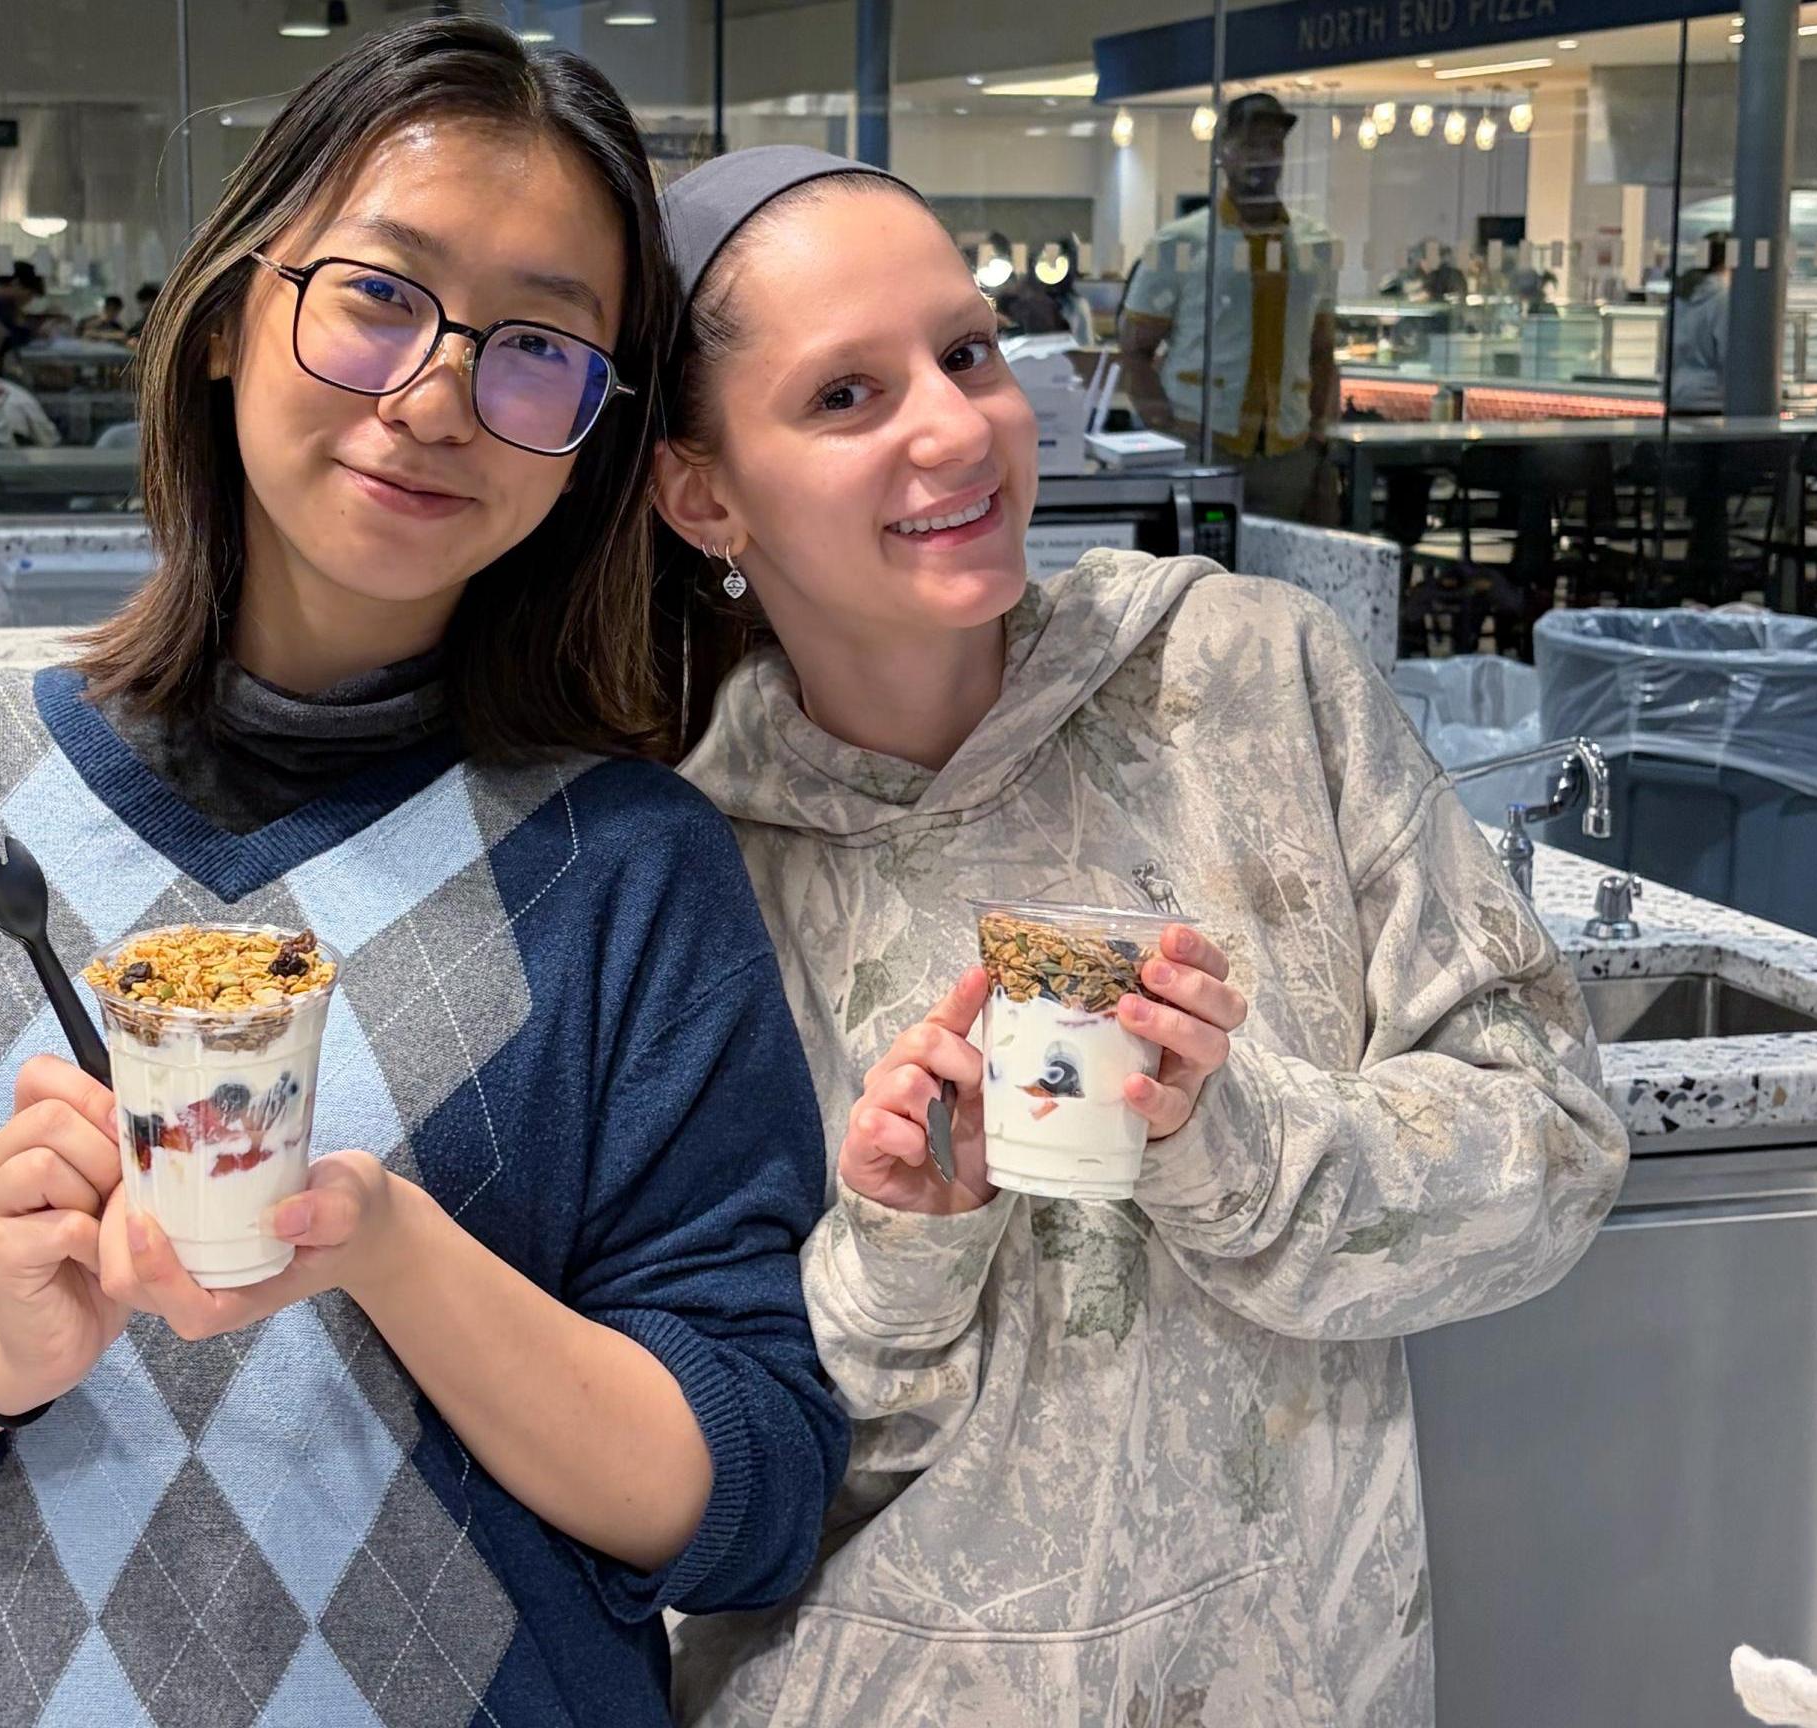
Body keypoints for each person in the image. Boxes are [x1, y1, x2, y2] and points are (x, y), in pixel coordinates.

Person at [0, 20, 845, 1723]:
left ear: (588, 427)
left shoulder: (628, 867)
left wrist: (384, 1242)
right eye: (379, 292)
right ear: (228, 315)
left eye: (535, 345)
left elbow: (748, 1486)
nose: (436, 392)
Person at [646, 146, 1626, 1727]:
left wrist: (1230, 1141)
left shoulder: (1244, 679)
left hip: (1287, 1673)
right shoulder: (680, 869)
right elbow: (712, 1473)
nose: (957, 426)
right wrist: (904, 1240)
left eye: (966, 353)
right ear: (701, 492)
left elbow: (1556, 1148)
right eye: (845, 396)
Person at [1118, 92, 1340, 522]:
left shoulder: (1314, 246)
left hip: (1287, 451)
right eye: (1250, 144)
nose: (1263, 156)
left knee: (1281, 581)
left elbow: (1321, 350)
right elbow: (1134, 348)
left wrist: (1315, 434)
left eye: (1273, 145)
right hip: (1203, 442)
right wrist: (1164, 424)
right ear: (1223, 151)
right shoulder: (1180, 243)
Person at [1667, 230, 1734, 413]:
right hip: (1711, 398)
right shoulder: (1724, 299)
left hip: (1679, 393)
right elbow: (1728, 353)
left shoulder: (1681, 295)